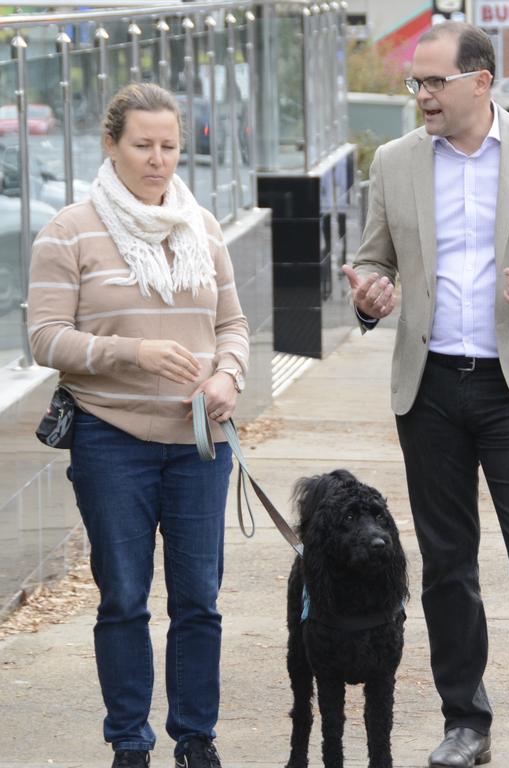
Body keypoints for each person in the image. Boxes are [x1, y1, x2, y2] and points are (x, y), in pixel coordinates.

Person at [341, 21, 509, 768]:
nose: (421, 95)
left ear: (481, 82)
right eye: (415, 84)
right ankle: (467, 721)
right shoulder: (394, 163)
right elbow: (369, 264)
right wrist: (370, 299)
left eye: (434, 82)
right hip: (428, 391)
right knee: (447, 563)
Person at [28, 83, 249, 768]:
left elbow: (233, 325)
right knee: (123, 597)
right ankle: (130, 739)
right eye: (143, 145)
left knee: (198, 600)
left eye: (170, 146)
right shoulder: (70, 230)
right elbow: (45, 338)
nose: (158, 160)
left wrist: (228, 377)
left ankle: (196, 738)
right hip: (109, 438)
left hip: (199, 443)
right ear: (111, 144)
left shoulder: (201, 227)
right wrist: (133, 353)